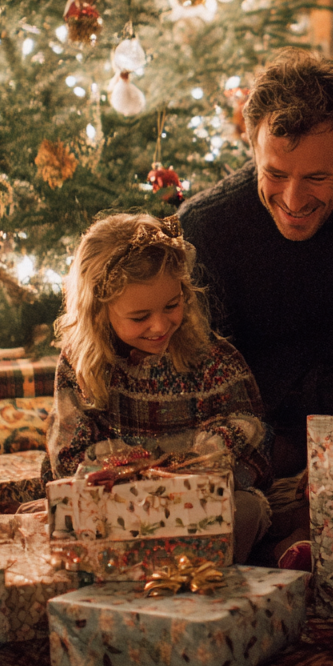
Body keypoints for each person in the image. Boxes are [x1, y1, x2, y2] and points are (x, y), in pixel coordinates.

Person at [178, 48, 333, 479]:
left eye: (316, 178)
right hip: (258, 451)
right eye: (276, 175)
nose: (293, 200)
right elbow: (203, 386)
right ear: (253, 151)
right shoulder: (206, 229)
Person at [45, 212, 272, 563]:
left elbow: (250, 430)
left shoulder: (211, 358)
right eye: (139, 317)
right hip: (118, 504)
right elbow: (68, 456)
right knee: (51, 516)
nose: (160, 325)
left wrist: (193, 466)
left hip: (197, 504)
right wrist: (134, 471)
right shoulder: (80, 366)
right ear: (98, 311)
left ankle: (201, 585)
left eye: (172, 305)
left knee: (245, 511)